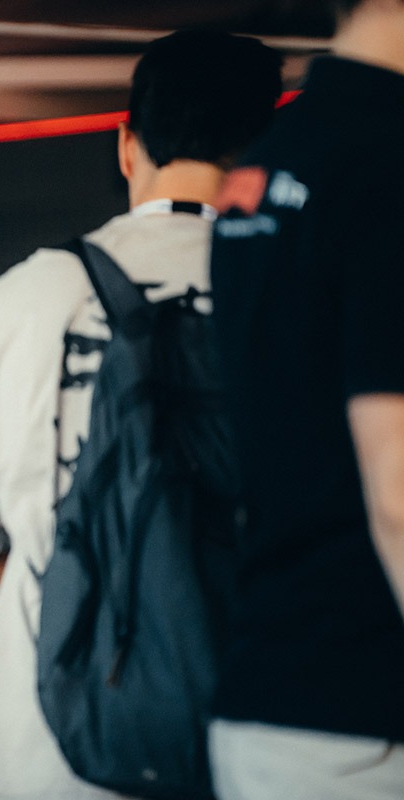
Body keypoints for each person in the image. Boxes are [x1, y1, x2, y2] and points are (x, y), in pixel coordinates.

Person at [0, 30, 282, 799]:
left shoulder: (17, 301)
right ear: (263, 150)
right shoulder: (299, 293)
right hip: (246, 747)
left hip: (38, 754)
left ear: (126, 144)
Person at [206, 2, 404, 797]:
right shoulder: (385, 157)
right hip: (369, 711)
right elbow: (398, 482)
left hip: (274, 695)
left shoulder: (274, 158)